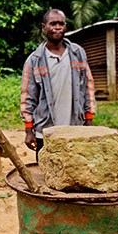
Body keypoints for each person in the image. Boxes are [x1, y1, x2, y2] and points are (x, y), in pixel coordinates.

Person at [20, 9, 96, 156]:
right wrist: (29, 130)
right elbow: (27, 96)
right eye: (53, 23)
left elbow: (88, 86)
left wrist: (89, 120)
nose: (57, 27)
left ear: (65, 26)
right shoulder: (34, 60)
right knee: (46, 175)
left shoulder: (77, 53)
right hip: (46, 132)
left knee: (75, 172)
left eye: (61, 23)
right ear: (44, 27)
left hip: (75, 129)